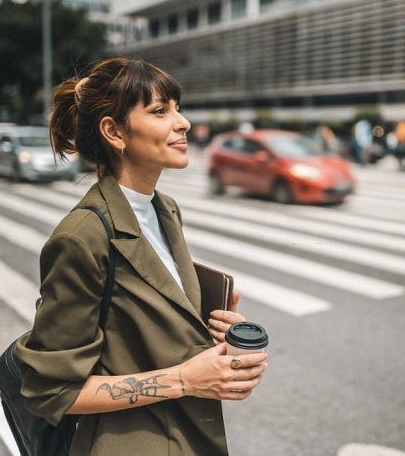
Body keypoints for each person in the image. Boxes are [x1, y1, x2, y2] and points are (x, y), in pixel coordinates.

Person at [14, 58, 268, 455]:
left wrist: (216, 332)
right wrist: (185, 379)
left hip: (188, 436)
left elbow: (147, 326)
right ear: (114, 132)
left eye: (177, 107)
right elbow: (53, 390)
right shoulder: (83, 236)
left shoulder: (165, 209)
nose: (182, 122)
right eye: (160, 111)